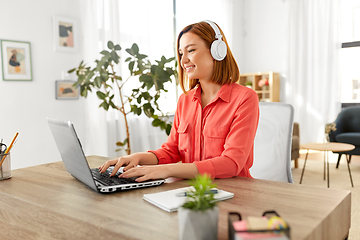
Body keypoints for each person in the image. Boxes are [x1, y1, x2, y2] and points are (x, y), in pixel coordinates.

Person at [99, 20, 259, 182]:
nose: (183, 61)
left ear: (217, 51)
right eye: (181, 53)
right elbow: (172, 151)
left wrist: (167, 170)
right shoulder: (185, 100)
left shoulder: (245, 98)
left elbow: (232, 163)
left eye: (191, 50)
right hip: (192, 190)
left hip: (234, 190)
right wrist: (138, 158)